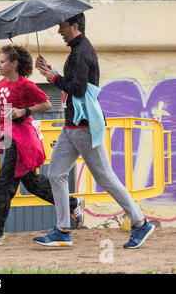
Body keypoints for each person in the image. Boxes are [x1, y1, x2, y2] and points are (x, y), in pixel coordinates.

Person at [34, 13, 155, 249]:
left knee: (105, 176)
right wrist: (50, 70)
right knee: (56, 173)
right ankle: (62, 230)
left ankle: (140, 222)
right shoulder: (79, 51)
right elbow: (75, 82)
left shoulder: (81, 52)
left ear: (74, 26)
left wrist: (53, 77)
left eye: (63, 25)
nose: (59, 30)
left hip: (84, 127)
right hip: (72, 127)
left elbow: (77, 89)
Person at [0, 45, 84, 246]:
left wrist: (23, 111)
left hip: (23, 141)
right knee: (31, 183)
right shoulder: (0, 86)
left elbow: (47, 104)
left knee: (3, 183)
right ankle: (72, 203)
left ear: (14, 64)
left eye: (3, 61)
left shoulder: (25, 86)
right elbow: (4, 114)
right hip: (11, 139)